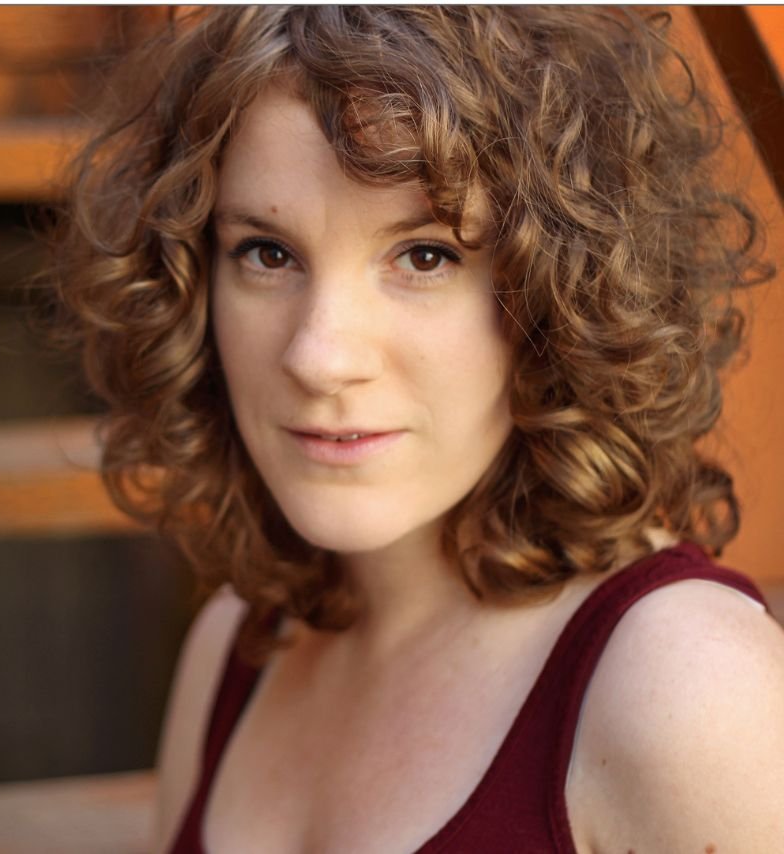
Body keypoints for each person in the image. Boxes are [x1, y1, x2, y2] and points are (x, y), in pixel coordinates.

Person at [46, 7, 784, 853]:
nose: (319, 358)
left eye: (426, 256)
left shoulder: (685, 685)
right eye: (267, 253)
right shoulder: (237, 643)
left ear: (565, 293)